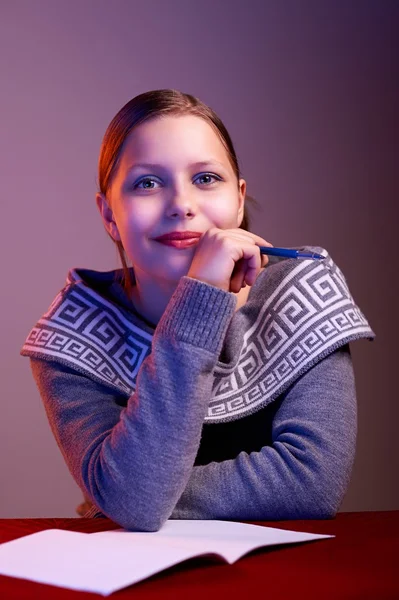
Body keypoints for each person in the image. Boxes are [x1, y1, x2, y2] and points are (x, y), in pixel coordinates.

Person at [20, 89, 375, 531]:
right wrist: (202, 296)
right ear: (109, 215)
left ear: (239, 199)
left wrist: (130, 495)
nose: (182, 205)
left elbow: (311, 483)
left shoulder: (303, 291)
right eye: (147, 183)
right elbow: (132, 498)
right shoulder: (71, 333)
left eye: (206, 178)